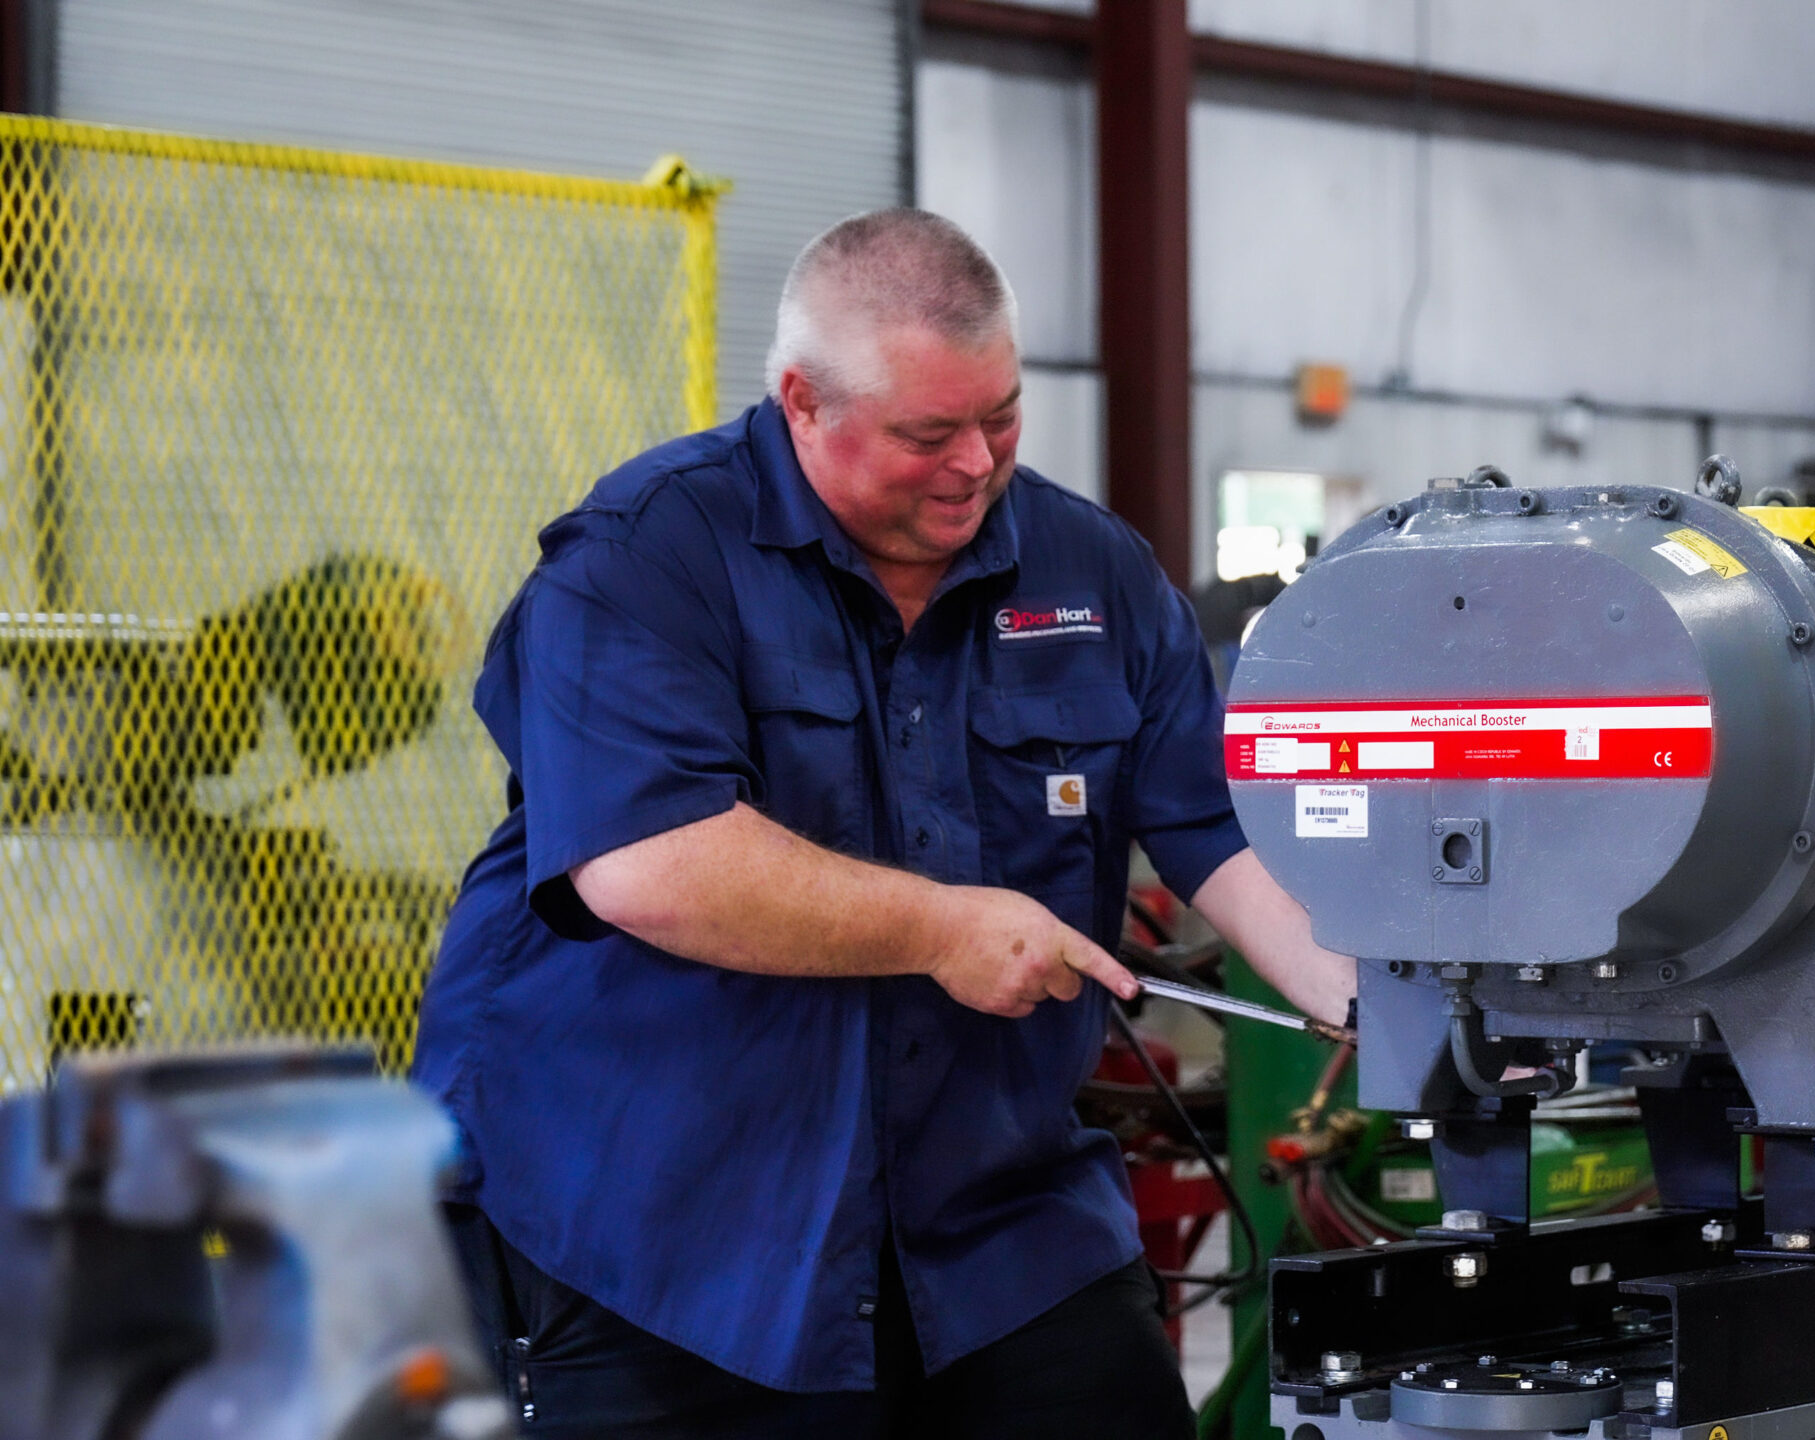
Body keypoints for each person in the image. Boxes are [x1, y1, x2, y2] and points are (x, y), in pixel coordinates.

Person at [412, 207, 1354, 1440]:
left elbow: (1216, 827)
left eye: (1002, 415)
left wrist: (1368, 995)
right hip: (666, 1230)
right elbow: (650, 862)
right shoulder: (644, 561)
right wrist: (941, 927)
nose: (977, 462)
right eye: (928, 433)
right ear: (803, 403)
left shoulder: (1097, 574)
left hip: (994, 1225)